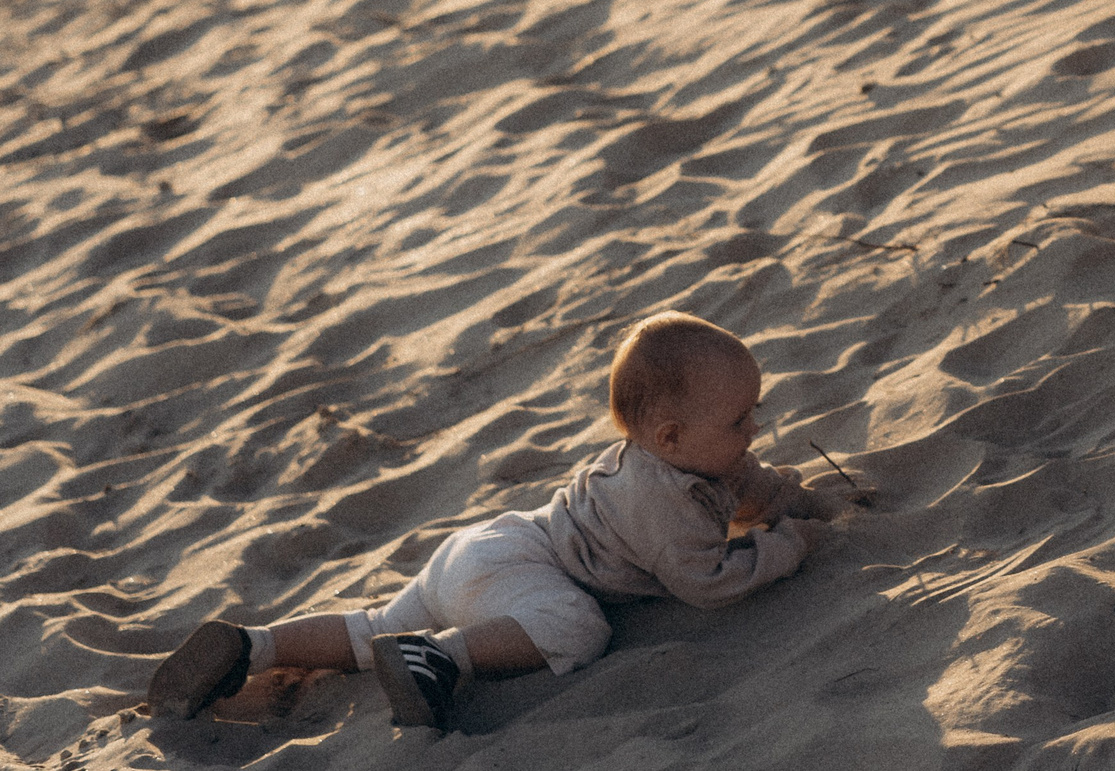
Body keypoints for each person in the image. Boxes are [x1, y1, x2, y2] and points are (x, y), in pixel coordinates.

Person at [146, 312, 847, 732]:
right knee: (577, 626)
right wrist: (787, 545)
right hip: (524, 572)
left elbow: (750, 485)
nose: (754, 428)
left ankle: (253, 645)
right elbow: (707, 582)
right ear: (667, 436)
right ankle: (442, 658)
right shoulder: (659, 499)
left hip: (483, 548)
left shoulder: (698, 458)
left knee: (370, 628)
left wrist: (795, 499)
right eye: (740, 418)